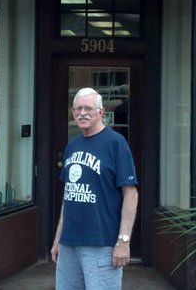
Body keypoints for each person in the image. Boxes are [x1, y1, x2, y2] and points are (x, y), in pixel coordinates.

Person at [51, 87, 138, 290]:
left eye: (88, 108)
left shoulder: (116, 143)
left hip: (101, 243)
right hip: (69, 243)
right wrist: (58, 239)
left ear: (101, 112)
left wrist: (123, 241)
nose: (82, 113)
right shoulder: (72, 146)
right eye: (77, 108)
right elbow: (68, 197)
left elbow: (131, 194)